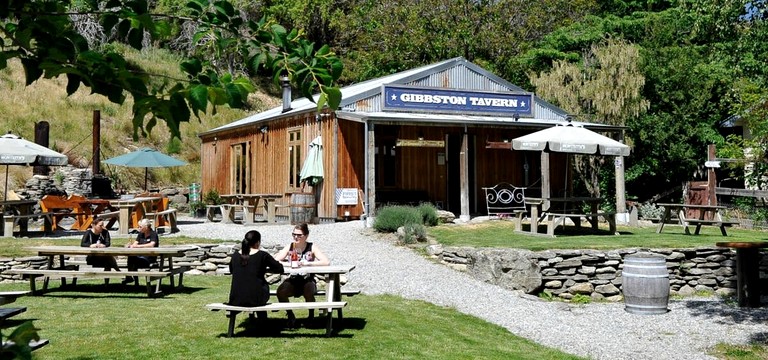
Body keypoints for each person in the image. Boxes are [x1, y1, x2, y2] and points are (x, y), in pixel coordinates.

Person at [274, 223, 330, 327]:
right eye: (294, 234)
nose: (296, 237)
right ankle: (290, 315)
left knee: (308, 291)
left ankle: (311, 316)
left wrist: (309, 263)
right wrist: (289, 264)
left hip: (307, 279)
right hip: (293, 279)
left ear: (306, 236)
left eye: (299, 235)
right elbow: (276, 260)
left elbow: (326, 261)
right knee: (280, 292)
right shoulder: (290, 246)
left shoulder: (311, 246)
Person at [227, 230, 284, 321]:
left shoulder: (235, 256)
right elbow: (279, 268)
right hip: (257, 298)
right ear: (258, 242)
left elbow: (231, 270)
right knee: (260, 288)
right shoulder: (262, 255)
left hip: (236, 298)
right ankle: (262, 321)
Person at [122, 218, 159, 285]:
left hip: (149, 259)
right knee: (131, 258)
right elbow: (135, 244)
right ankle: (131, 278)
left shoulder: (153, 234)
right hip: (139, 257)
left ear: (146, 227)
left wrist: (137, 246)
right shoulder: (140, 234)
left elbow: (152, 245)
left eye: (140, 227)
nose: (138, 228)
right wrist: (130, 245)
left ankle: (129, 277)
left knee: (133, 260)